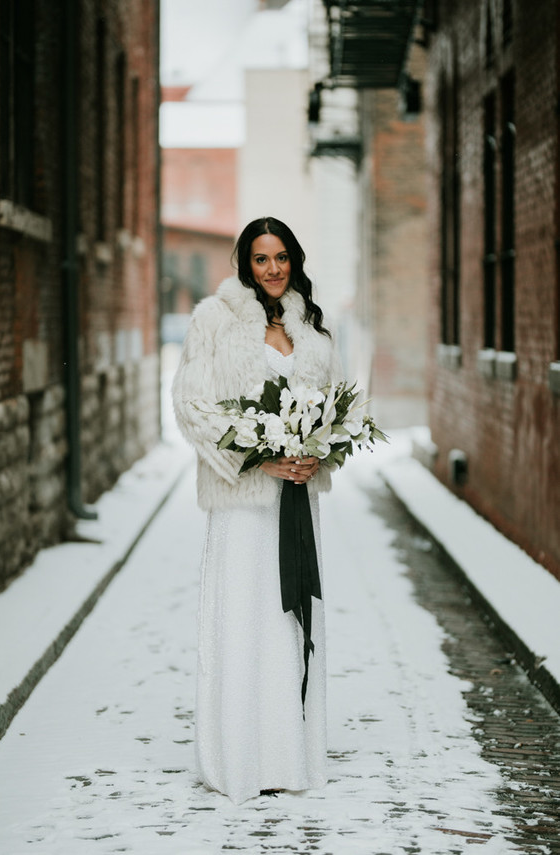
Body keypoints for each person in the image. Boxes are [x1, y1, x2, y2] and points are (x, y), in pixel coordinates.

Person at [172, 216, 341, 804]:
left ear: (294, 259)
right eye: (261, 259)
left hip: (296, 501)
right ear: (244, 263)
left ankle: (287, 756)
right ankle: (238, 757)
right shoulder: (214, 320)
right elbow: (193, 407)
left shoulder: (313, 328)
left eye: (281, 257)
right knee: (244, 620)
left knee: (288, 620)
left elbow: (332, 412)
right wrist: (257, 459)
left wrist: (317, 458)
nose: (272, 269)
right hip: (243, 502)